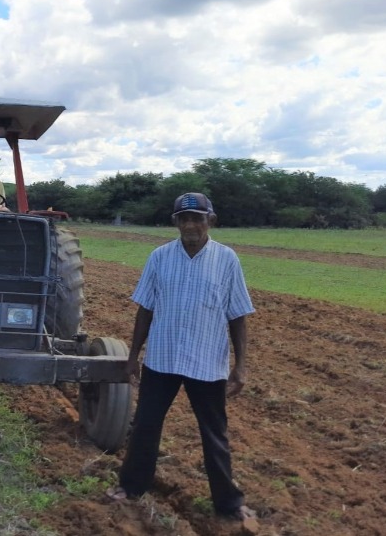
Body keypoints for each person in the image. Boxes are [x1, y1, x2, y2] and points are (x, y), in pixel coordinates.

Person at [106, 193, 257, 525]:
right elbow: (145, 310)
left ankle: (229, 503)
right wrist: (133, 356)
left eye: (197, 218)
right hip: (163, 357)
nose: (190, 225)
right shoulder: (159, 257)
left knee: (214, 433)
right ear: (175, 222)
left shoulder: (227, 260)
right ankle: (131, 486)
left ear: (210, 221)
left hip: (207, 361)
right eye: (184, 219)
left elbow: (237, 315)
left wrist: (241, 366)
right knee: (145, 425)